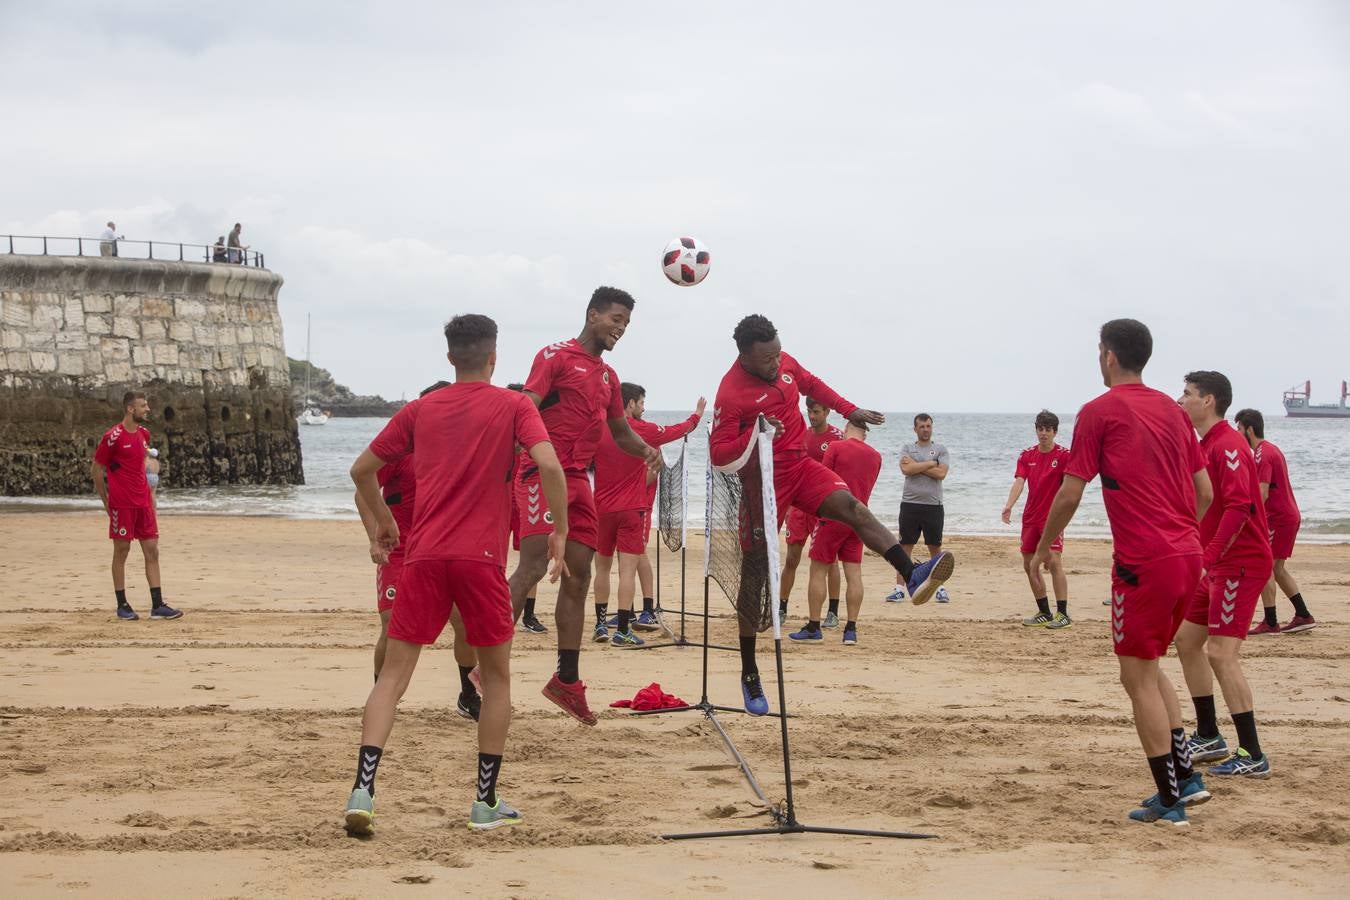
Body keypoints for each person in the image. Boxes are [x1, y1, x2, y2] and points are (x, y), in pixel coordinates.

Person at [343, 314, 568, 836]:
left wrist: (384, 521)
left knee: (393, 677)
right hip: (480, 561)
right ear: (493, 356)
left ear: (450, 357)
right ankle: (484, 802)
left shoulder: (420, 409)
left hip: (423, 557)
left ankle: (362, 791)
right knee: (496, 679)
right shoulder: (514, 405)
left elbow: (360, 471)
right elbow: (551, 466)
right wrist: (559, 528)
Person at [710, 314, 954, 715]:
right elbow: (720, 456)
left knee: (854, 508)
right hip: (763, 481)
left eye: (777, 354)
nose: (776, 363)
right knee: (754, 573)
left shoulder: (784, 361)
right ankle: (750, 672)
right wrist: (755, 432)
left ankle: (912, 575)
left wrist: (849, 409)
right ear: (745, 356)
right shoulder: (730, 392)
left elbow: (812, 384)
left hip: (800, 466)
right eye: (767, 360)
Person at [1032, 319, 1212, 827]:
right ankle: (1186, 779)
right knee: (1150, 668)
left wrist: (1044, 547)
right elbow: (1204, 492)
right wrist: (1181, 535)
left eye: (1099, 350)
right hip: (1188, 555)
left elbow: (1070, 493)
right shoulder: (1173, 412)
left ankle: (1170, 801)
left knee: (1135, 678)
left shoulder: (1099, 411)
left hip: (1143, 563)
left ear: (1109, 355)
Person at [508, 287, 659, 726]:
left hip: (578, 480)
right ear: (593, 315)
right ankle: (486, 663)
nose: (620, 328)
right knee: (533, 566)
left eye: (626, 323)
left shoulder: (609, 377)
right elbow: (525, 408)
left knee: (579, 576)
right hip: (541, 471)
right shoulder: (554, 356)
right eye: (615, 319)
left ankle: (567, 681)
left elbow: (621, 431)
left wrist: (647, 450)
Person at [354, 380, 483, 721]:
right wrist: (374, 536)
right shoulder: (399, 452)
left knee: (465, 624)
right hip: (399, 552)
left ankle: (468, 694)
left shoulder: (459, 452)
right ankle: (381, 696)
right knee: (391, 625)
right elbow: (362, 489)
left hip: (442, 551)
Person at [1174, 373, 1274, 779]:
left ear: (1209, 400)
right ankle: (1209, 735)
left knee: (1221, 653)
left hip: (1241, 562)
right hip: (1216, 563)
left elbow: (1239, 508)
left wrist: (1208, 556)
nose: (1180, 400)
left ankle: (1252, 753)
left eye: (1187, 394)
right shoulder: (1204, 444)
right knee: (1186, 640)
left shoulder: (1228, 444)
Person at [592, 383, 704, 646]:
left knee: (602, 569)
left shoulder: (599, 428)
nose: (643, 407)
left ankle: (600, 626)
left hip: (601, 509)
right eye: (640, 402)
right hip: (631, 509)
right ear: (630, 403)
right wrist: (697, 415)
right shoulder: (640, 430)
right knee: (627, 571)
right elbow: (678, 430)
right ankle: (622, 630)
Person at [788, 419, 883, 646]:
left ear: (847, 429)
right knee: (854, 573)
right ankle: (850, 629)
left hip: (833, 516)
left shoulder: (835, 447)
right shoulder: (875, 456)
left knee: (818, 570)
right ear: (865, 434)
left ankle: (814, 626)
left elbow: (824, 479)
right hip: (859, 518)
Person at [92, 392, 183, 621]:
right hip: (122, 504)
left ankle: (157, 605)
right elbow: (97, 469)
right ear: (130, 409)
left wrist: (152, 492)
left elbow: (142, 463)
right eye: (143, 405)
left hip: (144, 503)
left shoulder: (144, 434)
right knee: (122, 551)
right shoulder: (112, 437)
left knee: (152, 550)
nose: (148, 409)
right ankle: (122, 605)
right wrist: (106, 501)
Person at [1233, 409, 1316, 634]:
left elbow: (1262, 493)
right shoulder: (1271, 449)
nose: (1236, 433)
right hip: (1286, 516)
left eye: (1238, 428)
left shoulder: (1262, 454)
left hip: (1278, 519)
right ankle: (1303, 615)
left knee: (1265, 567)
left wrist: (1246, 520)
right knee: (1277, 569)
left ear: (1249, 429)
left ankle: (1271, 622)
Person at [1003, 410, 1073, 629]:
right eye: (1040, 429)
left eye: (1048, 430)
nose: (1043, 433)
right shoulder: (1027, 455)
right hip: (1031, 518)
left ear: (1055, 432)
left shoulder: (1064, 455)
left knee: (1053, 561)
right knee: (1028, 564)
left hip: (1052, 519)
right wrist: (1009, 505)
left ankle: (1063, 614)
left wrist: (1065, 514)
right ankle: (1044, 612)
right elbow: (1019, 481)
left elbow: (1070, 487)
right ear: (1036, 430)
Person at [779, 398, 843, 626]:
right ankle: (781, 608)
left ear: (827, 411)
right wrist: (787, 506)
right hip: (799, 508)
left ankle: (832, 612)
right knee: (791, 558)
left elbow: (842, 475)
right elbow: (790, 472)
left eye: (816, 411)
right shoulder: (801, 436)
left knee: (830, 561)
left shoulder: (838, 438)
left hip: (824, 508)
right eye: (809, 411)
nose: (812, 416)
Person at [888, 414, 951, 602]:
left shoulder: (940, 449)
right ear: (915, 429)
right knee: (904, 548)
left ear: (932, 428)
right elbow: (906, 470)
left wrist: (917, 465)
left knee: (935, 548)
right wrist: (931, 463)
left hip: (933, 506)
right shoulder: (908, 448)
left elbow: (941, 473)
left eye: (928, 426)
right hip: (909, 505)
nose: (925, 429)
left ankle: (940, 589)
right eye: (922, 426)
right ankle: (900, 589)